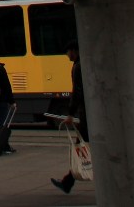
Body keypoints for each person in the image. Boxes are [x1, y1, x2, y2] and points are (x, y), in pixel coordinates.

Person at [51, 42, 87, 195]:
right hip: (91, 112)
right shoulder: (85, 62)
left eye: (68, 52)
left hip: (87, 114)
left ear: (73, 51)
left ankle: (68, 181)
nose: (67, 55)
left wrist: (70, 114)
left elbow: (77, 91)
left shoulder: (77, 67)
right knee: (84, 148)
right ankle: (68, 181)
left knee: (82, 148)